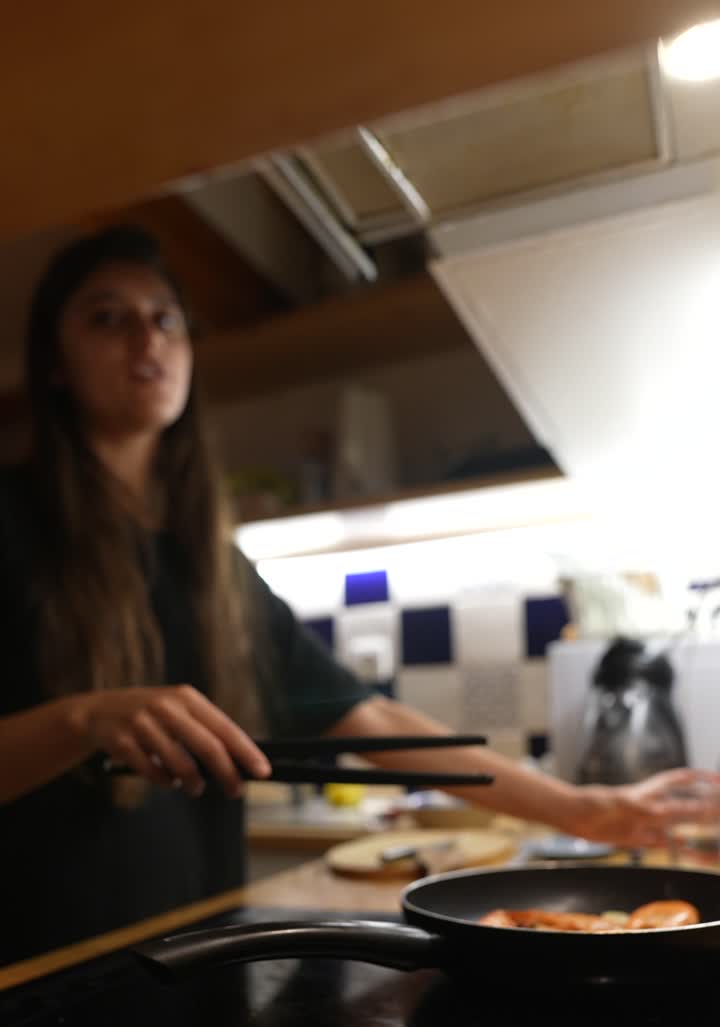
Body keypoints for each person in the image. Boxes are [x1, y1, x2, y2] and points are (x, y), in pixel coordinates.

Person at [0, 226, 717, 965]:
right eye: (106, 317)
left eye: (166, 317)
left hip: (185, 957)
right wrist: (82, 719)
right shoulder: (12, 525)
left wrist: (586, 810)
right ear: (55, 362)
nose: (146, 338)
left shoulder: (212, 565)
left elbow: (368, 716)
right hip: (37, 967)